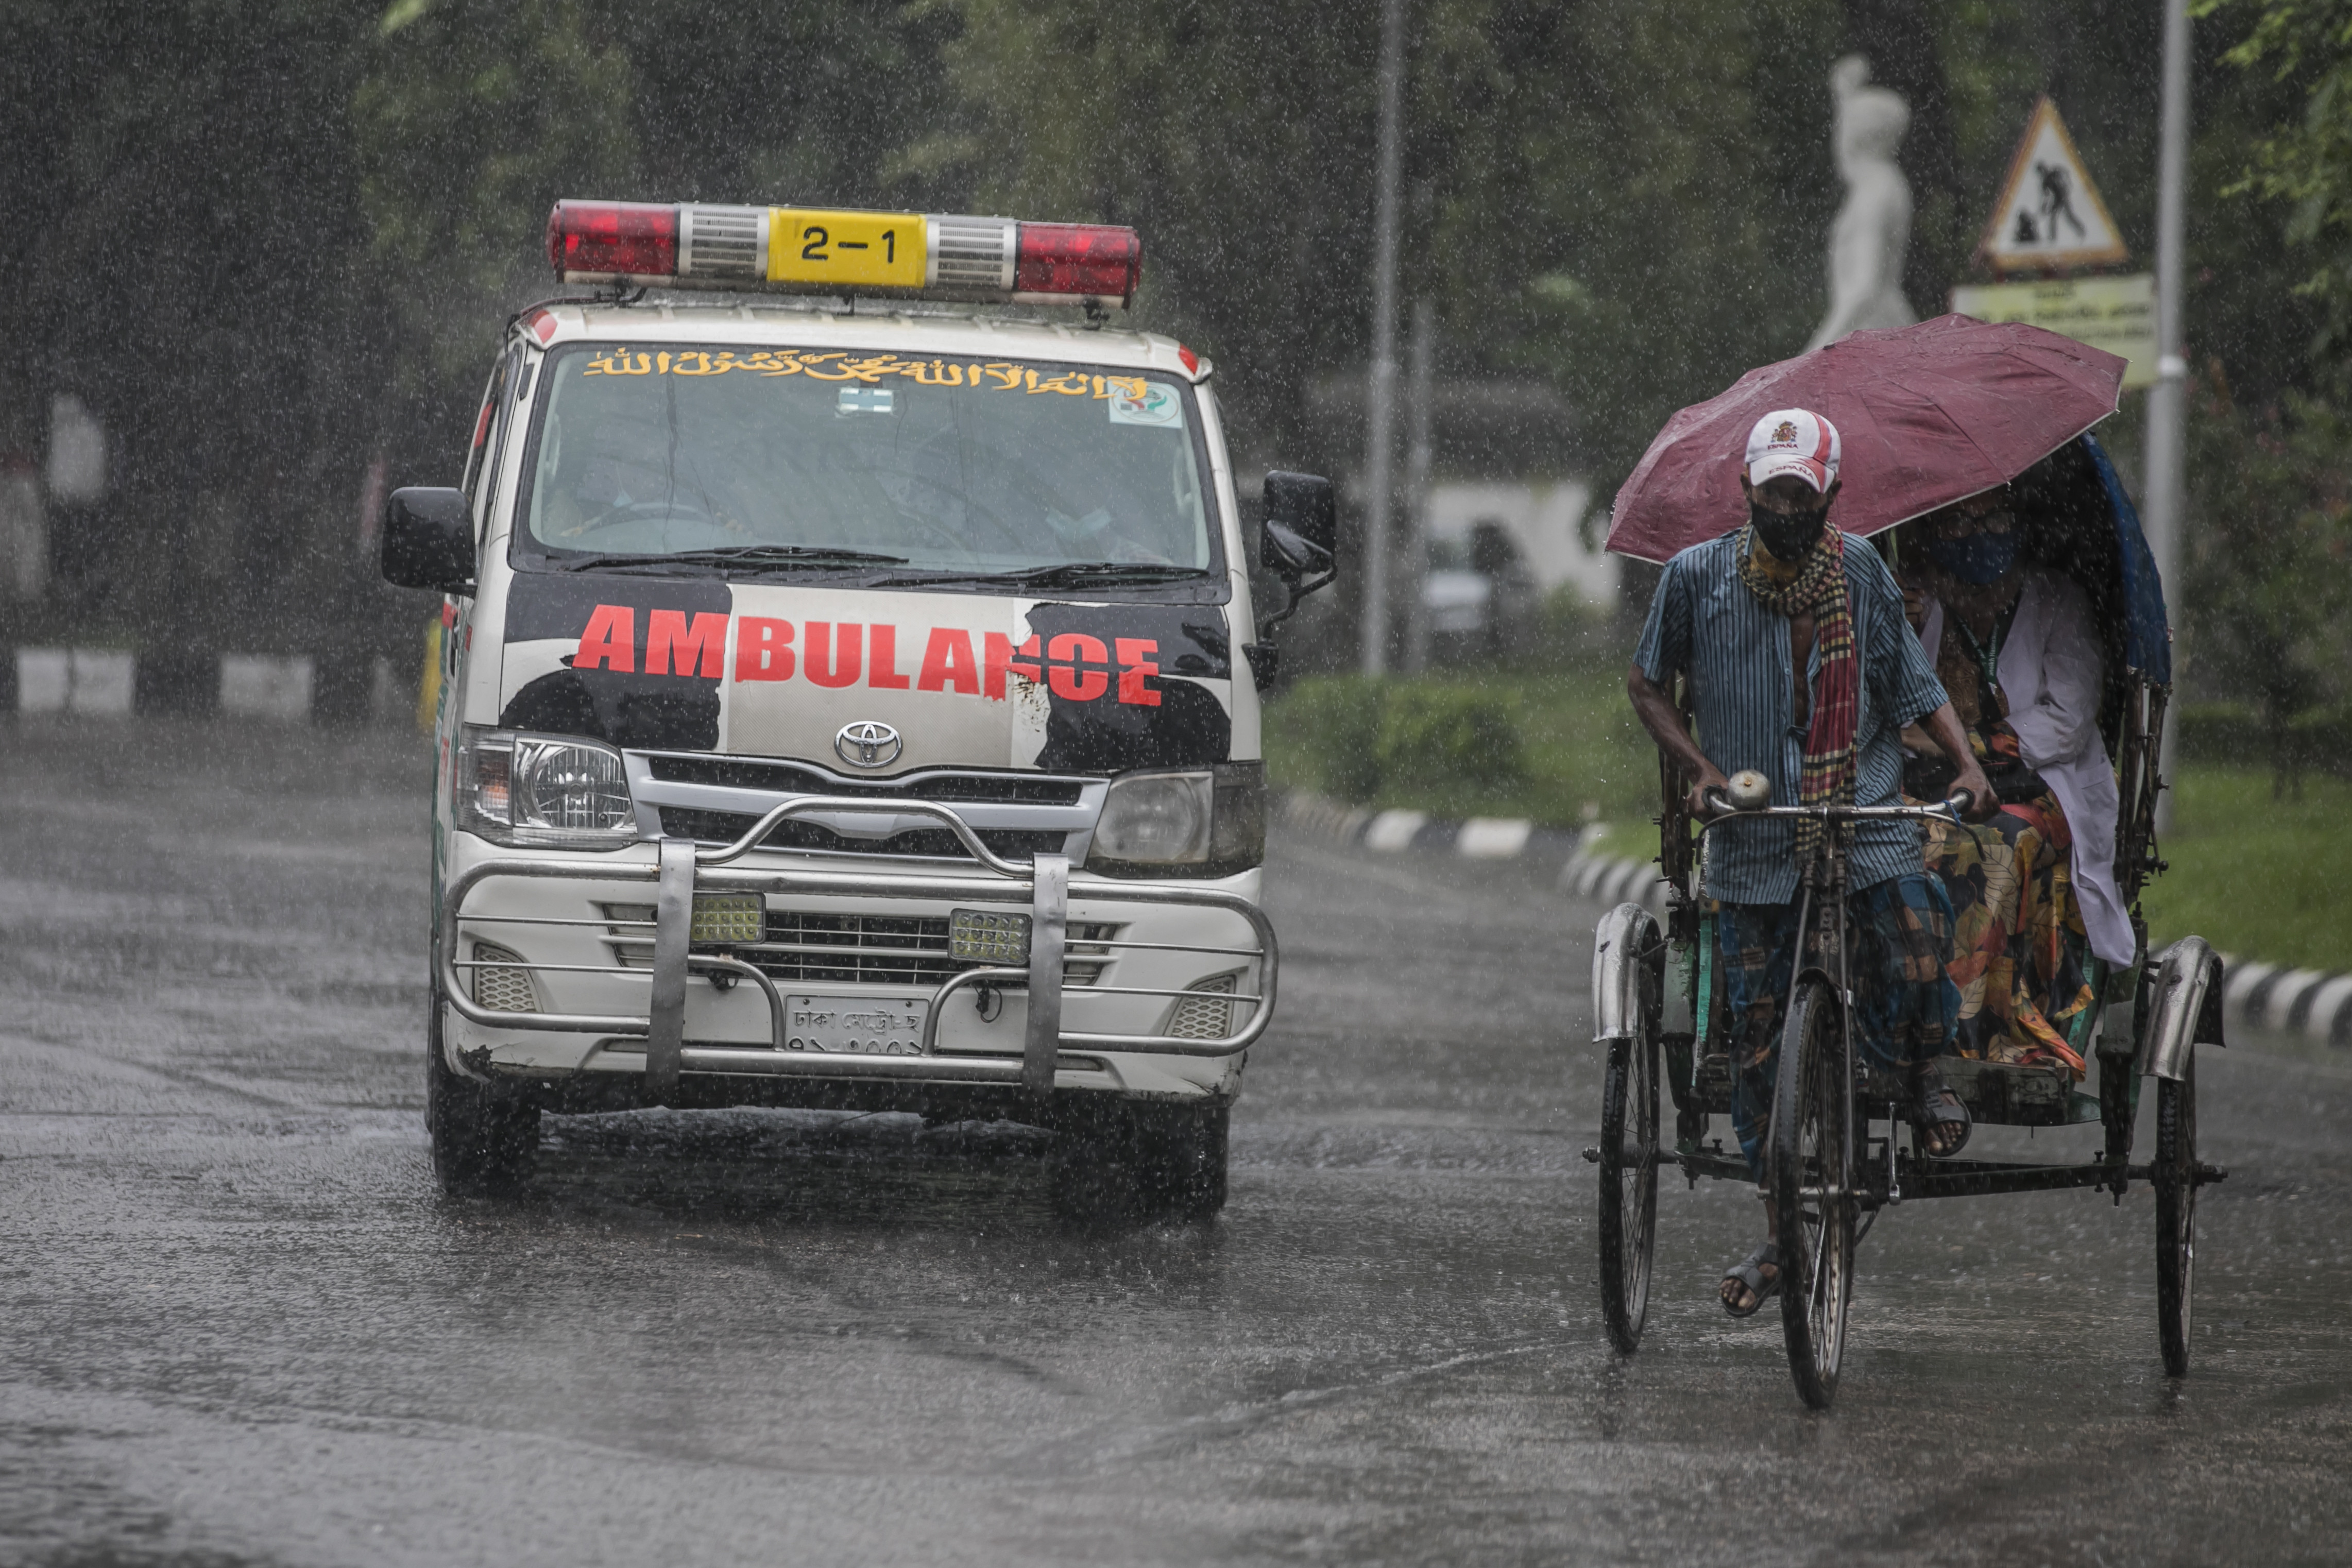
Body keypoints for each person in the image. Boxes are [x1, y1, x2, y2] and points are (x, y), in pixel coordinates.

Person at [1626, 408, 1996, 1319]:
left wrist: (1966, 761)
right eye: (1773, 493)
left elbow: (1911, 683)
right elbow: (1646, 682)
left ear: (1830, 495)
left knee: (1916, 942)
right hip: (1755, 835)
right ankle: (1779, 1226)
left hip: (1858, 815)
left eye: (1802, 495)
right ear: (1746, 490)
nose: (1786, 509)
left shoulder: (1862, 570)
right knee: (1754, 1049)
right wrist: (1699, 769)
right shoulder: (1695, 577)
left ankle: (1920, 1074)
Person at [1896, 489, 2135, 1076]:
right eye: (1959, 521)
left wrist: (1968, 748)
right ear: (1933, 530)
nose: (1980, 533)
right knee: (1887, 847)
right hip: (1923, 786)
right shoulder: (1908, 600)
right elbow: (1881, 705)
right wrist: (1899, 627)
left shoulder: (2057, 601)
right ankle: (1898, 1012)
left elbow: (2068, 719)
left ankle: (1975, 1027)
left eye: (1996, 517)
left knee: (2000, 846)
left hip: (2034, 786)